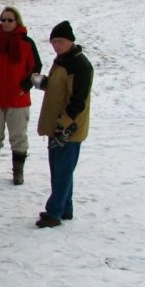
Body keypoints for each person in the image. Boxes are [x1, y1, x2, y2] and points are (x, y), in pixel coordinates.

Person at [35, 21, 93, 228]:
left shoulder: (79, 65)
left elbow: (78, 99)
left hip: (68, 128)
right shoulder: (62, 61)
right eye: (53, 42)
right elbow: (59, 88)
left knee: (62, 170)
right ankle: (64, 207)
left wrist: (64, 123)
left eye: (60, 41)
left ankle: (54, 212)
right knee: (60, 169)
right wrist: (44, 84)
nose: (56, 45)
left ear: (71, 41)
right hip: (58, 124)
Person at [0, 6, 42, 185]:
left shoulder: (27, 43)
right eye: (3, 19)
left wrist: (25, 86)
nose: (6, 23)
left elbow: (36, 67)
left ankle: (18, 172)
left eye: (10, 20)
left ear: (17, 22)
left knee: (18, 137)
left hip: (18, 99)